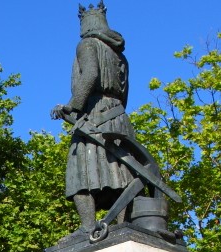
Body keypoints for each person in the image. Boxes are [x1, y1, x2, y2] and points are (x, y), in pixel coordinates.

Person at [50, 2, 169, 238]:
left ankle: (87, 229)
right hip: (118, 117)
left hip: (94, 116)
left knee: (79, 176)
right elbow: (124, 94)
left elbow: (91, 75)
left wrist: (72, 106)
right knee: (121, 176)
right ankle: (122, 228)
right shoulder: (120, 56)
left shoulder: (86, 44)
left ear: (86, 24)